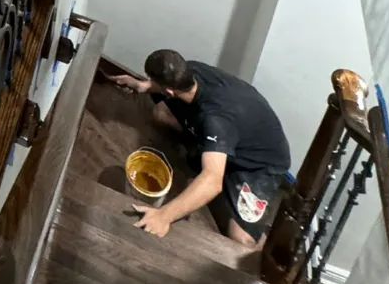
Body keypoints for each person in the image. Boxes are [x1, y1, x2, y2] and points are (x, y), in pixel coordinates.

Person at [108, 49, 291, 247]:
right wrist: (144, 86)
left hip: (259, 163)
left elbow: (213, 181)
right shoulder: (192, 70)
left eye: (153, 81)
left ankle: (262, 248)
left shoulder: (216, 120)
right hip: (232, 131)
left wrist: (164, 216)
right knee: (161, 113)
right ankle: (212, 152)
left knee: (241, 239)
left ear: (169, 90)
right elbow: (168, 91)